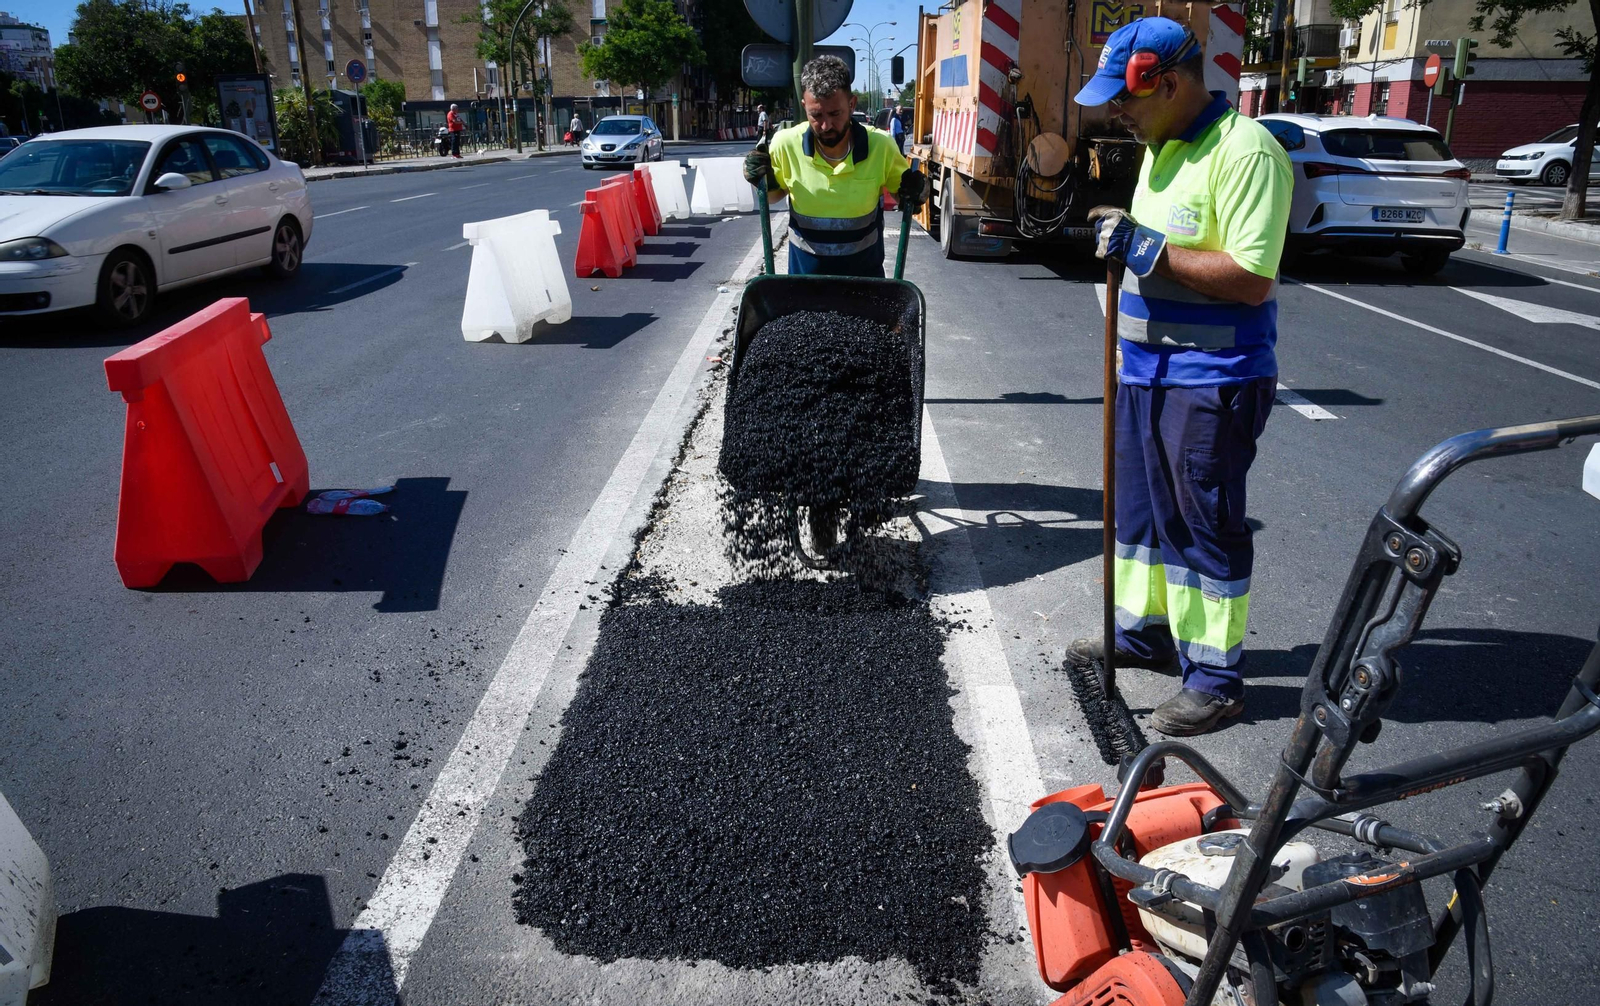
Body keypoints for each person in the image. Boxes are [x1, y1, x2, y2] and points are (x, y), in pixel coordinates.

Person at [1065, 17, 1292, 736]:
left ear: (1165, 82)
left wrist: (1148, 250)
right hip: (1146, 372)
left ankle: (1216, 681)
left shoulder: (1248, 152)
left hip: (1211, 380)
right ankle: (1144, 632)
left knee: (1202, 528)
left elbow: (1252, 278)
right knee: (1139, 519)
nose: (1116, 113)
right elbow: (1148, 249)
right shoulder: (1160, 148)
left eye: (1124, 99)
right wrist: (1123, 238)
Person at [741, 56, 928, 277]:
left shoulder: (880, 146)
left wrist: (917, 192)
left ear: (851, 104)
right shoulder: (786, 144)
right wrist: (760, 180)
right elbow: (771, 197)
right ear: (804, 107)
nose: (826, 125)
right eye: (816, 115)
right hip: (805, 286)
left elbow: (906, 201)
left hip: (866, 286)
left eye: (835, 114)